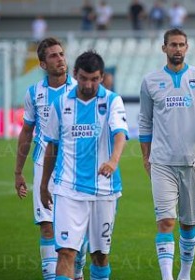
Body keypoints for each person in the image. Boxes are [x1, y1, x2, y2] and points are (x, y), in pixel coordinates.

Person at [139, 28, 195, 280]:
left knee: (189, 223)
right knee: (166, 221)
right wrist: (146, 157)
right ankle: (167, 277)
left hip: (194, 163)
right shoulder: (150, 81)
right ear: (163, 48)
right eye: (173, 45)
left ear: (187, 48)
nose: (177, 49)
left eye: (181, 45)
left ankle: (184, 273)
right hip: (162, 162)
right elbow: (145, 123)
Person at [40, 50, 129, 280]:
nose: (89, 84)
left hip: (104, 190)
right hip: (68, 189)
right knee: (66, 252)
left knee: (99, 255)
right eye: (84, 78)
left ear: (102, 77)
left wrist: (113, 161)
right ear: (75, 74)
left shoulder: (112, 101)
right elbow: (51, 147)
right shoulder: (60, 104)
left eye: (94, 79)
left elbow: (120, 134)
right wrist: (43, 185)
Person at [14, 37, 88, 280]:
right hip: (42, 165)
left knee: (79, 230)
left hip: (75, 168)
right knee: (47, 225)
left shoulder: (80, 89)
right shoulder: (34, 93)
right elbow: (27, 131)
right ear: (43, 64)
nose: (60, 59)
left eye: (62, 54)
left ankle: (77, 268)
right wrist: (18, 172)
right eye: (54, 56)